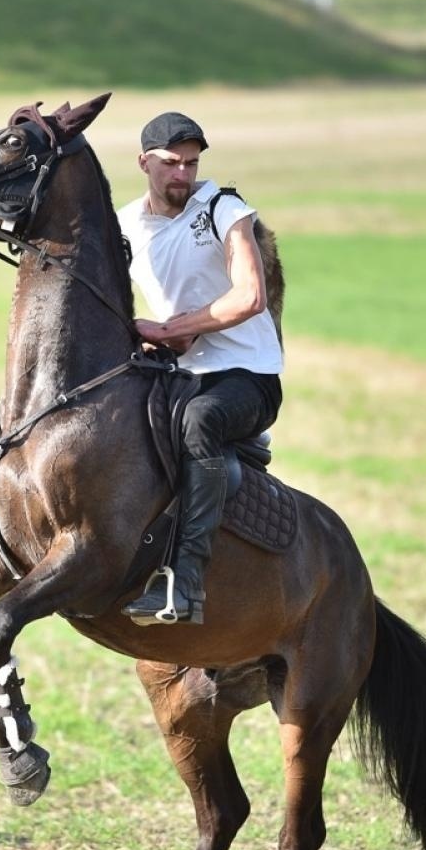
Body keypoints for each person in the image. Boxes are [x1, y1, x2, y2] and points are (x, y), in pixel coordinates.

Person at [116, 112, 284, 625]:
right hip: (177, 374)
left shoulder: (223, 209)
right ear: (144, 161)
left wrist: (169, 330)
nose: (182, 175)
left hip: (245, 377)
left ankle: (185, 584)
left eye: (191, 163)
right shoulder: (125, 225)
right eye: (170, 163)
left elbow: (250, 296)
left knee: (199, 421)